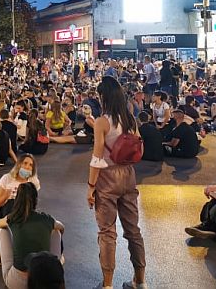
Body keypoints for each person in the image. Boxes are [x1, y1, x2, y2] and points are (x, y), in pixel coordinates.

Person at [87, 76, 146, 289]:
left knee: (107, 232)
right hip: (129, 176)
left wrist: (91, 187)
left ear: (104, 97)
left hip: (107, 179)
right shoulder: (130, 118)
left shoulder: (102, 122)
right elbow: (141, 149)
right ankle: (139, 281)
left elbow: (97, 157)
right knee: (133, 231)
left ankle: (108, 284)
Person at [0, 182, 65, 289]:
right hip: (43, 280)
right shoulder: (45, 218)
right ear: (36, 200)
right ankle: (57, 260)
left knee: (2, 231)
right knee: (56, 231)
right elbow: (62, 227)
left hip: (17, 283)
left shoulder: (12, 218)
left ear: (17, 200)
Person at [0, 154, 41, 266]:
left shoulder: (34, 181)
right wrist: (6, 195)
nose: (28, 167)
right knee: (8, 210)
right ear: (19, 164)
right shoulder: (7, 178)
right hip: (9, 209)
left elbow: (34, 203)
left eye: (30, 165)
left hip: (26, 208)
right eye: (25, 163)